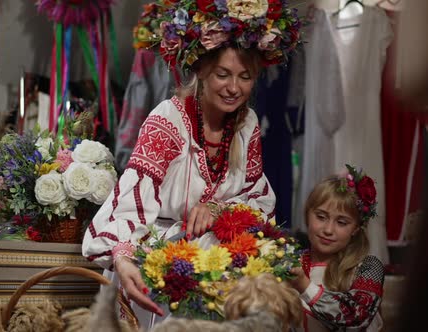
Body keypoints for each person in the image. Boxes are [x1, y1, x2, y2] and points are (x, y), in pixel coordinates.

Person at [82, 0, 302, 327]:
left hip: (217, 259)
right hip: (158, 257)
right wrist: (125, 259)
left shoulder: (246, 124)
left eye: (245, 77)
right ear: (200, 69)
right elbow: (133, 202)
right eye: (223, 74)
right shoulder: (167, 121)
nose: (234, 88)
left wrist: (218, 211)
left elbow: (257, 198)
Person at [289, 165, 384, 331]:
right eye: (321, 217)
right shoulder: (292, 262)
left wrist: (304, 286)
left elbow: (357, 316)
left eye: (341, 222)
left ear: (356, 228)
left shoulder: (368, 266)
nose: (328, 230)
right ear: (307, 215)